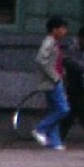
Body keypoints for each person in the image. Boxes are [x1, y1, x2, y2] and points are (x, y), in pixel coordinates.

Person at [31, 15, 71, 150]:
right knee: (63, 109)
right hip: (52, 81)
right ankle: (40, 129)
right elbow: (41, 59)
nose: (65, 32)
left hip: (54, 80)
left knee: (54, 109)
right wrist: (55, 76)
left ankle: (54, 141)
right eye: (63, 28)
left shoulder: (53, 42)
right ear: (55, 29)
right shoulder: (49, 42)